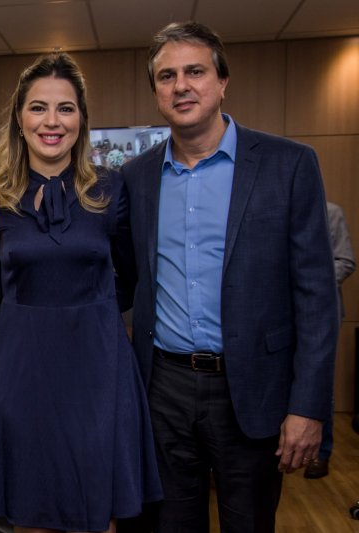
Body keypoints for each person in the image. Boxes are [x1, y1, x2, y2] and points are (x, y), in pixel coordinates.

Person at [121, 21, 338, 533]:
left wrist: (307, 407)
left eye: (195, 71)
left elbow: (317, 300)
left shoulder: (289, 165)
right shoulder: (136, 177)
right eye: (167, 76)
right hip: (164, 390)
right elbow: (121, 277)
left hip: (254, 390)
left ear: (222, 82)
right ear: (156, 93)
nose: (181, 85)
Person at [0, 52, 162, 533]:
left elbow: (130, 277)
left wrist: (88, 312)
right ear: (19, 117)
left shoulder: (112, 190)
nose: (52, 121)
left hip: (96, 370)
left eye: (65, 108)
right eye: (38, 107)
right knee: (31, 511)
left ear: (81, 119)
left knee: (98, 512)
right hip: (20, 370)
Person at [304, 201, 356, 479]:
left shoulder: (332, 212)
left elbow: (346, 262)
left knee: (318, 378)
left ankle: (320, 452)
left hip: (321, 310)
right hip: (279, 310)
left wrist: (307, 280)